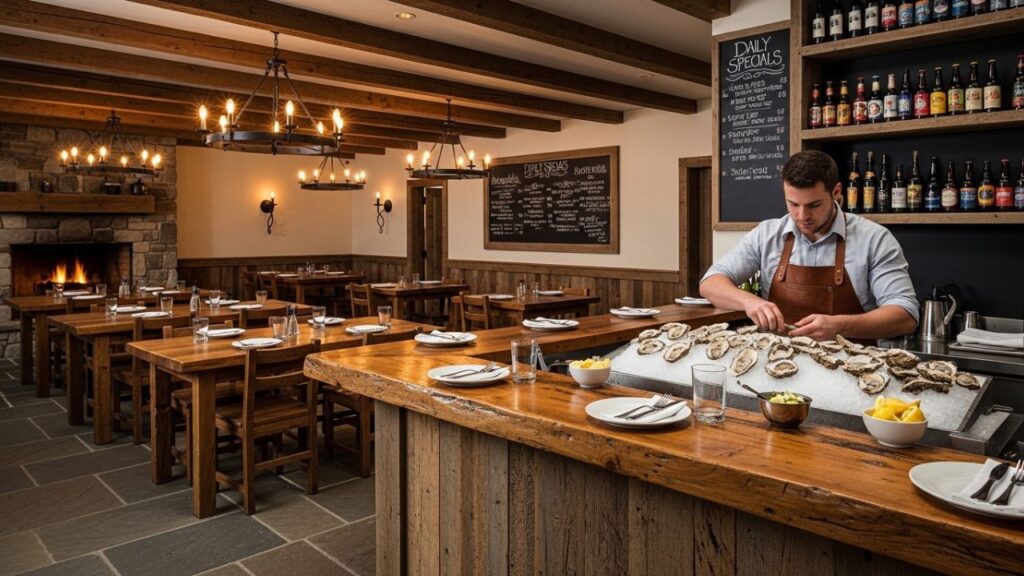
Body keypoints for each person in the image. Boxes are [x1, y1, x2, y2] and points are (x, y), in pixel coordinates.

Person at [699, 150, 918, 341]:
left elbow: (905, 315)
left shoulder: (875, 239)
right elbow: (710, 283)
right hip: (778, 363)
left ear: (836, 192)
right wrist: (750, 302)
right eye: (793, 204)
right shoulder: (766, 234)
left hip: (852, 369)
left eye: (814, 205)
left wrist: (840, 326)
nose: (802, 216)